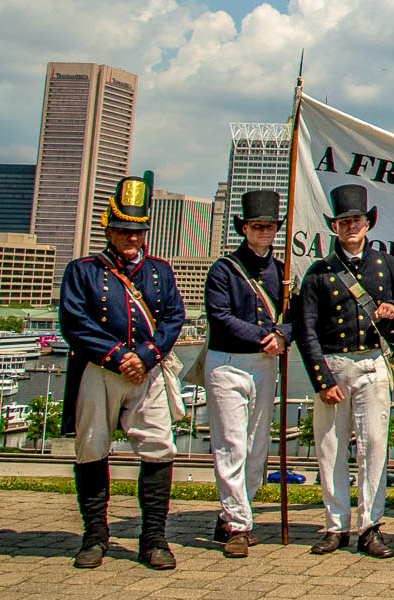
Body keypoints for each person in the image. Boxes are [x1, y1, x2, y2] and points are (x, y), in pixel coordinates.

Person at [60, 174, 186, 570]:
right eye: (123, 232)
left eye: (138, 232)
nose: (132, 239)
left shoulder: (160, 271)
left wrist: (147, 356)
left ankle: (153, 539)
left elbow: (173, 317)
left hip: (146, 372)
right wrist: (117, 356)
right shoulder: (83, 270)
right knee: (92, 449)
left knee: (159, 448)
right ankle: (94, 536)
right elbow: (75, 322)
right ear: (109, 232)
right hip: (100, 370)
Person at [294, 184, 394, 558]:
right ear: (335, 225)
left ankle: (370, 525)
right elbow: (307, 331)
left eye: (357, 221)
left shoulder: (386, 264)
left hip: (372, 363)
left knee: (374, 447)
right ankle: (336, 525)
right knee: (330, 449)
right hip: (334, 364)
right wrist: (322, 380)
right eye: (345, 221)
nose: (352, 227)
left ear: (368, 223)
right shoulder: (317, 273)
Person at [203, 190, 290, 559]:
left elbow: (295, 314)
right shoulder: (223, 269)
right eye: (257, 227)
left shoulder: (282, 272)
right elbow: (219, 316)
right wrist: (266, 336)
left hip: (265, 364)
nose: (264, 233)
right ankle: (240, 525)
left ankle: (232, 512)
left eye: (269, 227)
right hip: (227, 362)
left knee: (256, 448)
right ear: (244, 228)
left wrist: (284, 335)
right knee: (231, 444)